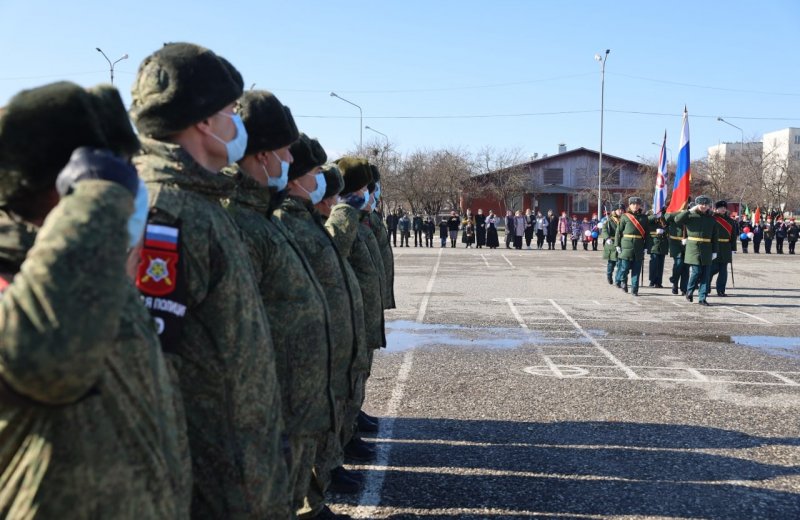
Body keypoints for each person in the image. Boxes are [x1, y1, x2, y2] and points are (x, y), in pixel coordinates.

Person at [0, 82, 185, 519]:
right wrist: (96, 202)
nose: (130, 189)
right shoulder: (20, 279)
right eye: (118, 172)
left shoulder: (90, 269)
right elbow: (47, 355)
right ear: (67, 183)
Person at [130, 42, 290, 517]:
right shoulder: (165, 212)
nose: (236, 124)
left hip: (236, 469)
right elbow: (151, 369)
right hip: (209, 481)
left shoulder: (195, 203)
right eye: (228, 111)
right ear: (202, 120)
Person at [223, 93, 337, 517]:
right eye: (286, 150)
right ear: (265, 154)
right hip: (276, 399)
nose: (291, 157)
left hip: (295, 394)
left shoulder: (262, 218)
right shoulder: (243, 222)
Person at [314, 164, 371, 503]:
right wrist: (348, 209)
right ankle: (323, 474)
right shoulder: (329, 221)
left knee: (345, 393)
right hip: (323, 337)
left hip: (345, 324)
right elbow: (337, 250)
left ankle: (335, 456)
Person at [672, 196, 719, 306]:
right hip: (693, 248)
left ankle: (702, 298)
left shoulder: (711, 219)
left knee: (706, 274)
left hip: (707, 248)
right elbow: (677, 219)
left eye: (706, 204)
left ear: (708, 206)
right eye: (701, 204)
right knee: (696, 271)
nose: (703, 206)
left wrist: (714, 251)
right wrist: (689, 211)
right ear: (697, 204)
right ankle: (690, 290)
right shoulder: (690, 216)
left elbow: (715, 236)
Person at [614, 197, 652, 296]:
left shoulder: (644, 218)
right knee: (624, 268)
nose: (635, 206)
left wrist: (646, 247)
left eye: (637, 204)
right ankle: (623, 281)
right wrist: (617, 244)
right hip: (626, 245)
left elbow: (647, 234)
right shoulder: (625, 217)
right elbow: (619, 231)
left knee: (636, 269)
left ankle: (634, 289)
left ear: (640, 206)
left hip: (639, 246)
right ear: (630, 205)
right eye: (633, 204)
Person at [709, 200, 737, 297]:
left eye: (724, 207)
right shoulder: (712, 218)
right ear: (716, 209)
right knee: (712, 268)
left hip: (726, 247)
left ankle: (721, 290)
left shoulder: (731, 221)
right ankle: (706, 286)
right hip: (714, 246)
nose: (723, 209)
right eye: (721, 207)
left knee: (723, 270)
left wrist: (734, 248)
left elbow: (733, 236)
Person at [666, 202, 690, 296]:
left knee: (686, 266)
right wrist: (681, 212)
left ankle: (684, 288)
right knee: (678, 263)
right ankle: (675, 282)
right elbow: (667, 217)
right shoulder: (672, 211)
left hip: (687, 242)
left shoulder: (689, 211)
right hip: (675, 242)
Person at [601, 203, 625, 284]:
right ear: (615, 211)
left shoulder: (624, 219)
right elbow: (604, 230)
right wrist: (607, 238)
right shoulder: (609, 220)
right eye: (619, 210)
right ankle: (609, 275)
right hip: (611, 243)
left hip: (621, 243)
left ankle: (618, 279)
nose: (620, 211)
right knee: (611, 263)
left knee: (620, 263)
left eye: (622, 210)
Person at [647, 211, 668, 288]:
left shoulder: (665, 214)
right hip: (653, 242)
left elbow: (669, 224)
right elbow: (647, 220)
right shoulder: (650, 213)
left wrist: (665, 231)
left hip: (663, 242)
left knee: (660, 264)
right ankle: (652, 280)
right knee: (654, 262)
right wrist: (655, 216)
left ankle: (659, 282)